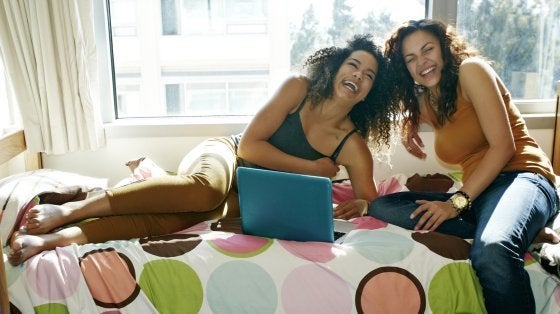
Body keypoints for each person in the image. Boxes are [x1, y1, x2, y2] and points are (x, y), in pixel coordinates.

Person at [8, 34, 398, 266]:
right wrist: (311, 169)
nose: (358, 77)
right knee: (204, 191)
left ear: (370, 93)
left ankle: (56, 239)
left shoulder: (352, 145)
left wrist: (362, 205)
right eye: (353, 65)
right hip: (227, 158)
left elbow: (369, 199)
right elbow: (250, 145)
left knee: (175, 220)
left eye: (368, 76)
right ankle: (73, 209)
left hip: (252, 196)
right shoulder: (298, 88)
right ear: (336, 67)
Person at [367, 19, 560, 313]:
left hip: (521, 178)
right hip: (480, 195)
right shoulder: (427, 99)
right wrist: (407, 124)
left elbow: (503, 147)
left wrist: (455, 203)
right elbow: (383, 106)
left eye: (427, 49)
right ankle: (517, 229)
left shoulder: (471, 71)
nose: (422, 62)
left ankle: (504, 230)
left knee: (492, 252)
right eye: (411, 59)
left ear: (444, 49)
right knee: (383, 207)